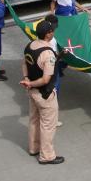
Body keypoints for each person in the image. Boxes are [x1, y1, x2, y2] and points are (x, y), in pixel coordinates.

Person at [20, 19, 64, 164]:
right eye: (52, 31)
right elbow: (46, 79)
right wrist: (31, 82)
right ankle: (47, 156)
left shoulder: (29, 46)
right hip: (45, 94)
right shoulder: (48, 54)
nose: (53, 32)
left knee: (34, 119)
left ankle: (34, 148)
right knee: (48, 125)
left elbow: (24, 63)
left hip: (32, 92)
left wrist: (27, 80)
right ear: (48, 34)